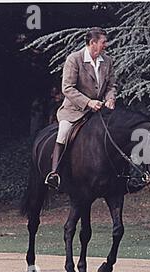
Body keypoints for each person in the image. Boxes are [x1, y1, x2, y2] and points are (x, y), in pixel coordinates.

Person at [44, 27, 117, 189]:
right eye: (103, 42)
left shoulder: (107, 60)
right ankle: (55, 173)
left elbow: (111, 85)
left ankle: (119, 176)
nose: (106, 45)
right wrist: (88, 102)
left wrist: (110, 98)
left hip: (99, 110)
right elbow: (67, 88)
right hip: (74, 110)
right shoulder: (74, 59)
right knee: (63, 132)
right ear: (93, 43)